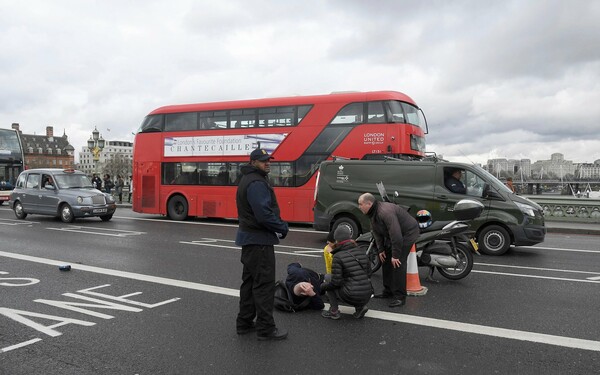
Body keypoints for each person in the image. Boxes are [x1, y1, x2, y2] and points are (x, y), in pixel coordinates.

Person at [235, 148, 289, 341]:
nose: (268, 163)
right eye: (263, 161)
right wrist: (282, 227)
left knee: (249, 284)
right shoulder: (257, 183)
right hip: (260, 242)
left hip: (249, 241)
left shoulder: (247, 179)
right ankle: (266, 329)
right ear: (253, 162)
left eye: (269, 160)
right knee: (264, 286)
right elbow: (263, 214)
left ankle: (244, 323)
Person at [358, 192, 419, 307]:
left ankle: (400, 297)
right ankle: (388, 291)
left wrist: (395, 255)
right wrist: (381, 250)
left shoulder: (384, 212)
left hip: (407, 233)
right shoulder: (373, 213)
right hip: (394, 235)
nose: (359, 207)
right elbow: (376, 232)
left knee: (398, 263)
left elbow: (396, 236)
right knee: (385, 259)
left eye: (360, 204)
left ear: (369, 203)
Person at [320, 226, 372, 320]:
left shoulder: (338, 256)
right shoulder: (361, 251)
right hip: (367, 294)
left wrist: (323, 286)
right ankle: (360, 308)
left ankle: (333, 311)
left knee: (328, 278)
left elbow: (336, 282)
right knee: (355, 278)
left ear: (336, 240)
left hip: (351, 295)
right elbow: (368, 273)